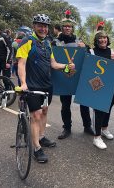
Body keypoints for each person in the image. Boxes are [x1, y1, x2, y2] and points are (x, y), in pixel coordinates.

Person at [16, 13, 75, 163]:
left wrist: (67, 67)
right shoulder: (27, 41)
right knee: (36, 115)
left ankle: (41, 137)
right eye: (40, 25)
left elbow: (53, 64)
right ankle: (36, 148)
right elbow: (21, 64)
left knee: (44, 111)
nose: (43, 28)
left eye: (45, 26)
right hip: (32, 86)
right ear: (34, 26)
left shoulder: (48, 43)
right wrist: (23, 83)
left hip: (47, 85)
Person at [54, 10, 94, 140]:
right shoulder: (55, 42)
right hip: (64, 75)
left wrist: (86, 47)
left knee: (84, 102)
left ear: (72, 28)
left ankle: (87, 126)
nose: (67, 28)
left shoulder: (79, 41)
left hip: (78, 76)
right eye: (65, 26)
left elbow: (89, 56)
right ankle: (67, 128)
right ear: (62, 27)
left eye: (69, 26)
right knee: (65, 104)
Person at [88, 22, 114, 149]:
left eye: (104, 38)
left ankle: (104, 128)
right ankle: (97, 137)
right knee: (99, 110)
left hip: (112, 85)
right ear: (96, 40)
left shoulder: (113, 52)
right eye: (100, 38)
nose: (102, 40)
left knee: (108, 108)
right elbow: (87, 70)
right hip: (98, 85)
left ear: (108, 39)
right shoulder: (91, 51)